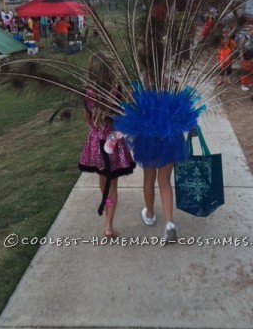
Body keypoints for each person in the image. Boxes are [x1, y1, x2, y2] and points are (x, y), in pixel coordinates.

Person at [114, 42, 203, 243]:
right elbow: (184, 106)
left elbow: (129, 110)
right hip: (170, 140)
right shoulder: (169, 84)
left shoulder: (139, 86)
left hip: (148, 142)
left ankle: (151, 214)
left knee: (148, 178)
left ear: (143, 63)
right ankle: (169, 223)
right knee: (165, 182)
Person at [78, 53, 136, 238]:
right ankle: (108, 225)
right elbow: (122, 116)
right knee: (113, 186)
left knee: (103, 177)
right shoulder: (116, 91)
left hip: (95, 143)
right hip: (113, 144)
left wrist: (95, 126)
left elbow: (87, 118)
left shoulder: (87, 93)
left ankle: (107, 202)